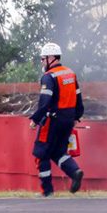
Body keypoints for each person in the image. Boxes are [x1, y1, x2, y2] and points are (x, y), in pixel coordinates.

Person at [29, 42, 84, 197]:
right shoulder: (70, 73)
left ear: (51, 58)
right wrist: (77, 116)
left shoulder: (49, 77)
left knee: (41, 154)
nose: (41, 62)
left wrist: (35, 119)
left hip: (52, 120)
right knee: (58, 151)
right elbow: (79, 98)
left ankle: (47, 192)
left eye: (42, 58)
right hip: (68, 120)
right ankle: (75, 172)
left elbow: (45, 102)